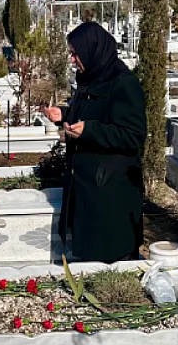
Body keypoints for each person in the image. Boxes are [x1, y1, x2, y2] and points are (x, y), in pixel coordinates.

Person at [44, 21, 147, 264]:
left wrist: (90, 131)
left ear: (92, 49)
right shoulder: (90, 76)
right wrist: (65, 115)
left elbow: (133, 134)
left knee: (113, 258)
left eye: (75, 53)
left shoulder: (123, 82)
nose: (72, 60)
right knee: (91, 257)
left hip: (111, 191)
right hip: (89, 185)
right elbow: (91, 113)